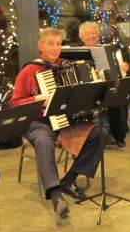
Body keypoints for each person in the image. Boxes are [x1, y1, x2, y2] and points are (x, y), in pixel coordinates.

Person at [10, 27, 103, 217]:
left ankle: (69, 179)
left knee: (99, 132)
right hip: (38, 122)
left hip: (65, 121)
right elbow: (14, 103)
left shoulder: (67, 67)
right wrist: (37, 99)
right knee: (44, 141)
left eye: (58, 44)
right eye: (50, 44)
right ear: (40, 46)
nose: (55, 48)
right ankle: (56, 195)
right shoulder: (29, 70)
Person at [79, 21, 129, 147]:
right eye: (87, 34)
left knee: (117, 97)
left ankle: (118, 135)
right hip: (86, 89)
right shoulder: (77, 53)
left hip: (105, 87)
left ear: (98, 34)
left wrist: (123, 67)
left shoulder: (107, 50)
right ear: (81, 37)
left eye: (93, 33)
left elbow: (117, 69)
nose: (90, 36)